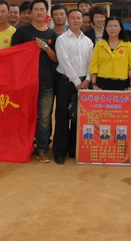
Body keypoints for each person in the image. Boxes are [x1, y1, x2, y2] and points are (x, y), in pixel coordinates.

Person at [11, 0, 59, 163]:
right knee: (24, 115)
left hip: (46, 82)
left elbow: (56, 58)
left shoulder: (52, 34)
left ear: (46, 13)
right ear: (31, 12)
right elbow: (13, 55)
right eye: (36, 9)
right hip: (25, 83)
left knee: (44, 118)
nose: (39, 13)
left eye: (42, 9)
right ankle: (24, 145)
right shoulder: (22, 31)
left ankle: (42, 148)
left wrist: (44, 47)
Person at [53, 9, 93, 164]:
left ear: (82, 20)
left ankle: (74, 149)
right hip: (66, 82)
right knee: (62, 116)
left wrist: (87, 79)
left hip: (84, 83)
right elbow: (64, 62)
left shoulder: (87, 41)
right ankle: (59, 152)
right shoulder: (62, 39)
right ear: (68, 20)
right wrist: (77, 82)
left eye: (79, 18)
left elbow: (91, 63)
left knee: (79, 117)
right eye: (73, 18)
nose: (76, 20)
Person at [89, 16, 131, 91]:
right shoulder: (99, 44)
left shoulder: (127, 45)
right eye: (110, 26)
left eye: (116, 26)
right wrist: (93, 84)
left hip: (122, 83)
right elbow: (94, 65)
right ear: (106, 28)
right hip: (102, 82)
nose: (113, 28)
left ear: (120, 28)